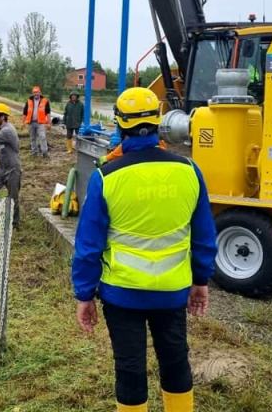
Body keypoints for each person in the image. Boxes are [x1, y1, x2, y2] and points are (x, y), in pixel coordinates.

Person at [71, 87, 217, 412]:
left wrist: (84, 296)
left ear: (120, 125)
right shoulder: (188, 172)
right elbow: (205, 236)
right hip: (172, 292)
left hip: (122, 295)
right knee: (176, 362)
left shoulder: (106, 178)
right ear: (159, 122)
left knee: (130, 368)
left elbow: (88, 247)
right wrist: (201, 281)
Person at [22, 85, 51, 157]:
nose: (36, 94)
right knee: (32, 138)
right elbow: (25, 112)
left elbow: (48, 113)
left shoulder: (45, 101)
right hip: (31, 122)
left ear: (40, 92)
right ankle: (34, 152)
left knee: (42, 137)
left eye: (37, 92)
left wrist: (49, 123)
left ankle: (45, 152)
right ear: (32, 93)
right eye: (34, 92)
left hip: (40, 123)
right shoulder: (29, 101)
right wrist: (23, 122)